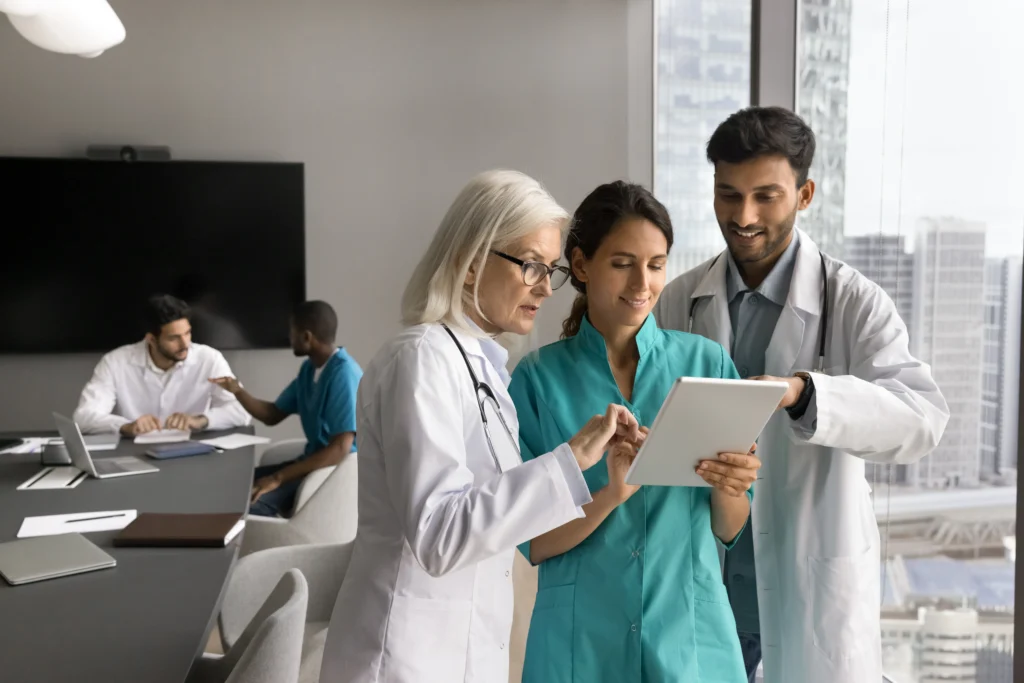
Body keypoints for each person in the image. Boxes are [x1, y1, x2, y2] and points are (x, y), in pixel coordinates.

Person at [653, 106, 950, 683]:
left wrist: (804, 394)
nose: (744, 216)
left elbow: (922, 419)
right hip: (707, 588)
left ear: (805, 193)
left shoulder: (853, 301)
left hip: (808, 587)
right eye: (728, 195)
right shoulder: (678, 301)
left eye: (766, 196)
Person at [318, 170, 642, 683]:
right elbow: (440, 535)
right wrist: (570, 459)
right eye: (531, 265)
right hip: (404, 654)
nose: (545, 287)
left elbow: (494, 517)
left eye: (550, 269)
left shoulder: (484, 368)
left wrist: (601, 482)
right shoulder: (421, 359)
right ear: (470, 264)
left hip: (461, 649)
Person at [509, 181, 756, 682]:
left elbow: (729, 527)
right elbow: (532, 542)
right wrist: (611, 494)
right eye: (622, 263)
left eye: (656, 264)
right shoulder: (536, 380)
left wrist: (731, 485)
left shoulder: (706, 364)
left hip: (689, 639)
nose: (642, 282)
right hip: (581, 644)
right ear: (581, 265)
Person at [210, 300, 362, 517]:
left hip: (330, 473)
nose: (289, 338)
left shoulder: (343, 375)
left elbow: (339, 449)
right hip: (309, 464)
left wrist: (277, 478)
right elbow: (272, 415)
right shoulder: (310, 369)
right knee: (232, 484)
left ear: (307, 337)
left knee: (251, 503)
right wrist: (237, 390)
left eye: (292, 332)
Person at [73, 294, 251, 435]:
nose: (185, 344)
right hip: (134, 456)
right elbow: (83, 417)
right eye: (174, 338)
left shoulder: (209, 359)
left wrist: (200, 420)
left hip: (192, 454)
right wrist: (126, 426)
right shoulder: (115, 362)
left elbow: (242, 412)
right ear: (151, 339)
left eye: (187, 333)